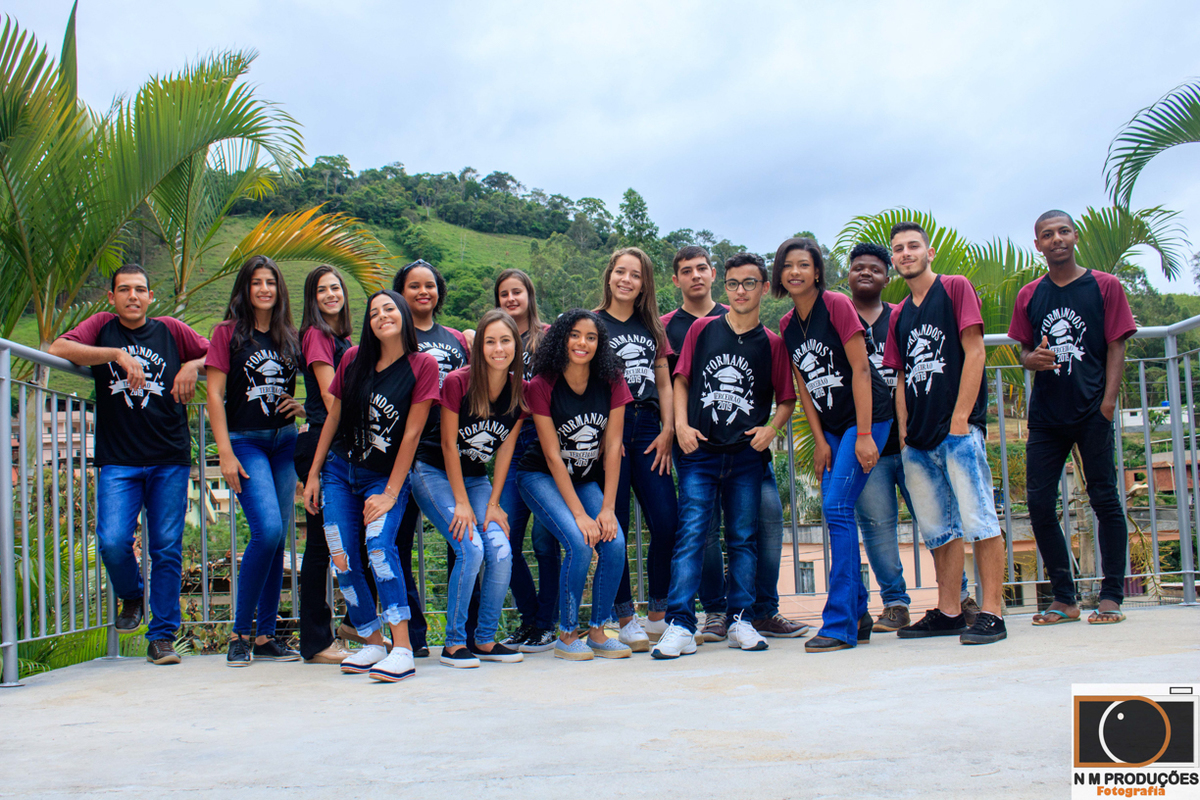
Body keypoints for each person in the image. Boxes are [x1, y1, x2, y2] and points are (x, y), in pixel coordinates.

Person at [49, 265, 209, 666]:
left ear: (150, 297)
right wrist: (116, 354)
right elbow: (58, 348)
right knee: (112, 540)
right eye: (124, 290)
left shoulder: (172, 329)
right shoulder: (103, 327)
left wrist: (192, 365)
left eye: (140, 289)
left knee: (167, 548)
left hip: (169, 456)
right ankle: (132, 593)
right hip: (119, 458)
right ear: (112, 297)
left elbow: (217, 353)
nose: (132, 296)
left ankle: (162, 638)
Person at [660, 246, 807, 643]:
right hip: (700, 454)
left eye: (749, 283)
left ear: (763, 289)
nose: (740, 291)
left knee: (743, 537)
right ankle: (680, 624)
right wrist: (681, 426)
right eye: (733, 284)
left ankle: (742, 618)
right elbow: (681, 379)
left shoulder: (773, 344)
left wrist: (771, 429)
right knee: (692, 534)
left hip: (745, 456)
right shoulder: (701, 330)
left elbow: (787, 398)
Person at [302, 290, 440, 682]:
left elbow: (412, 434)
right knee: (342, 557)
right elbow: (333, 420)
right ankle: (372, 641)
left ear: (403, 316)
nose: (382, 316)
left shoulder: (422, 365)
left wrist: (391, 493)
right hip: (338, 473)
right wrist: (313, 474)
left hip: (384, 478)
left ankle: (402, 648)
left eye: (390, 309)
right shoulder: (352, 360)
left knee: (379, 549)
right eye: (375, 312)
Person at [882, 222, 1007, 645]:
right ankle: (949, 610)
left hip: (956, 431)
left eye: (912, 246)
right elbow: (899, 377)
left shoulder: (954, 288)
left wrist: (960, 418)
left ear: (929, 251)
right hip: (917, 439)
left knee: (980, 520)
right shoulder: (899, 313)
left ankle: (993, 612)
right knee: (938, 530)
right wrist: (903, 434)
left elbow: (975, 349)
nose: (905, 254)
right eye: (898, 249)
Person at [1009, 210, 1136, 626]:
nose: (1057, 239)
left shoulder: (1104, 286)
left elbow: (1116, 345)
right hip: (1046, 416)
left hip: (1091, 409)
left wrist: (1108, 403)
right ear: (1038, 245)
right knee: (1040, 504)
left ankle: (1112, 595)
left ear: (1075, 236)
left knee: (1105, 500)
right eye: (1047, 234)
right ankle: (1064, 597)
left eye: (1063, 231)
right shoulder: (1030, 294)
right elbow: (1023, 351)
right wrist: (1033, 359)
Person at [847, 243, 978, 633]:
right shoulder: (839, 320)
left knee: (938, 521)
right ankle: (895, 603)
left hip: (912, 441)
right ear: (849, 276)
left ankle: (959, 598)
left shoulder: (902, 316)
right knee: (877, 527)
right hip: (867, 446)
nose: (866, 273)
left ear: (888, 277)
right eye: (858, 268)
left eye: (874, 268)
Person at [773, 238, 892, 652]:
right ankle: (857, 613)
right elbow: (803, 385)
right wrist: (821, 440)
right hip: (833, 428)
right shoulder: (788, 323)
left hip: (869, 417)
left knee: (838, 508)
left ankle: (839, 623)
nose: (795, 272)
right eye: (787, 266)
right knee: (836, 512)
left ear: (818, 272)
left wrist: (863, 435)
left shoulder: (838, 305)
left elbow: (861, 369)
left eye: (803, 265)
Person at [410, 310, 525, 667]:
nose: (498, 348)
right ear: (479, 348)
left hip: (476, 478)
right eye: (490, 341)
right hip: (433, 472)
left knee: (501, 551)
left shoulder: (519, 390)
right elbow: (446, 444)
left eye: (505, 340)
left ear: (515, 346)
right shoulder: (459, 382)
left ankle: (486, 640)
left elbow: (504, 448)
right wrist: (461, 503)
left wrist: (493, 503)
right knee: (471, 548)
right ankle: (454, 643)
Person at [206, 255, 306, 666]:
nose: (264, 289)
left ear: (279, 289)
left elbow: (318, 381)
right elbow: (213, 393)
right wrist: (224, 453)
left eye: (271, 282)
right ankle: (239, 632)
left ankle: (266, 635)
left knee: (279, 537)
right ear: (245, 289)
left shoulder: (289, 336)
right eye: (256, 282)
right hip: (245, 442)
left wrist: (301, 408)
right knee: (265, 530)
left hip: (284, 442)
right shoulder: (227, 333)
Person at [517, 309, 633, 661]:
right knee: (581, 543)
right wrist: (581, 515)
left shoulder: (612, 379)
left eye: (591, 337)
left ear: (600, 343)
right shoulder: (542, 384)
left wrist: (608, 508)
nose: (583, 343)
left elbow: (613, 447)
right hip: (540, 476)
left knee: (614, 544)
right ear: (561, 338)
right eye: (575, 335)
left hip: (584, 478)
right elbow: (552, 455)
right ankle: (567, 635)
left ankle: (597, 630)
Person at [594, 247, 677, 651]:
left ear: (644, 283)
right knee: (617, 527)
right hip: (608, 427)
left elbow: (663, 382)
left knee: (667, 519)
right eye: (621, 272)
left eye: (636, 275)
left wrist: (669, 428)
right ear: (609, 275)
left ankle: (657, 614)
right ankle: (626, 617)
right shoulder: (591, 323)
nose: (627, 280)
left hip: (647, 428)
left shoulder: (652, 327)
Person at [391, 260, 472, 656]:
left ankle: (470, 634)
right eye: (413, 286)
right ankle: (414, 636)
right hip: (403, 453)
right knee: (400, 546)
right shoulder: (393, 337)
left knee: (468, 544)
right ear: (400, 293)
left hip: (451, 455)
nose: (423, 292)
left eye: (430, 285)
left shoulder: (457, 338)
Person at [494, 269, 560, 652]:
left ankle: (546, 624)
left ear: (529, 295)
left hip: (548, 444)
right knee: (505, 539)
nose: (511, 299)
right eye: (504, 293)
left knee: (545, 540)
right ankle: (531, 618)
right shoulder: (497, 342)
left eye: (516, 292)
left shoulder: (547, 338)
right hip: (509, 444)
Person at [293, 265, 355, 664]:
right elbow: (331, 397)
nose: (331, 294)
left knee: (343, 538)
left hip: (330, 439)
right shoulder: (317, 335)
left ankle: (349, 622)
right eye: (322, 290)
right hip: (324, 442)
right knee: (320, 545)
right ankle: (316, 642)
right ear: (312, 299)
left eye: (335, 288)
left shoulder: (342, 337)